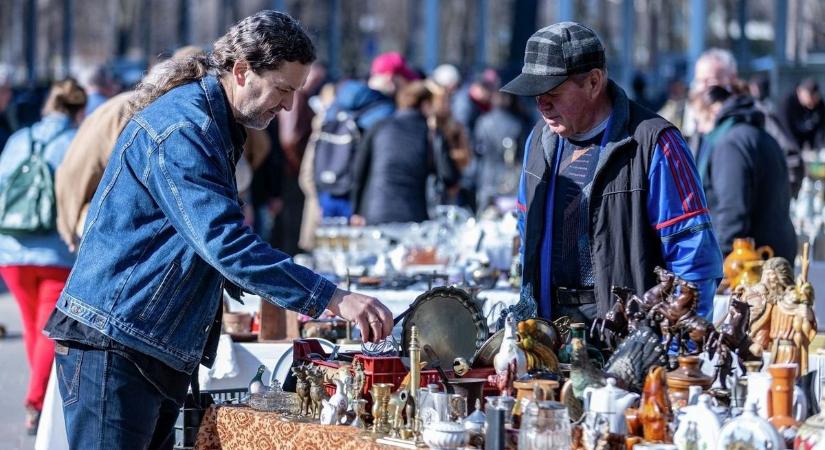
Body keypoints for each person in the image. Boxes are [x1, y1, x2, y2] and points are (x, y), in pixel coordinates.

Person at [43, 11, 392, 450]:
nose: (287, 105)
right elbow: (225, 242)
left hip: (141, 342)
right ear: (242, 71)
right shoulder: (185, 128)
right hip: (117, 341)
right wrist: (333, 298)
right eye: (283, 89)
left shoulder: (211, 122)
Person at [500, 22, 723, 325]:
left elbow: (693, 257)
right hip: (550, 337)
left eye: (552, 91)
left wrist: (678, 355)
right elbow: (527, 234)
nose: (542, 104)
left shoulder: (654, 142)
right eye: (535, 94)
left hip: (630, 341)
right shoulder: (538, 141)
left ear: (593, 82)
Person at [0, 78, 86, 434]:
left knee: (35, 331)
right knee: (49, 331)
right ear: (79, 111)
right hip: (56, 252)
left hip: (12, 250)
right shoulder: (75, 142)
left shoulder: (21, 138)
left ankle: (40, 396)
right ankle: (37, 403)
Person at [692, 85, 797, 262]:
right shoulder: (760, 134)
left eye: (699, 120)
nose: (700, 130)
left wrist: (720, 260)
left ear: (713, 110)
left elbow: (732, 209)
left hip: (750, 263)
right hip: (776, 251)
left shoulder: (730, 144)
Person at [351, 81, 460, 225]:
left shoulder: (379, 126)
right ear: (426, 105)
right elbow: (449, 175)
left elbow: (359, 172)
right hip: (413, 215)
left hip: (374, 212)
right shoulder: (431, 134)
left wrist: (356, 210)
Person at [779, 77, 825, 152]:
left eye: (815, 100)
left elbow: (821, 130)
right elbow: (785, 128)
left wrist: (820, 148)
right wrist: (796, 148)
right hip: (788, 141)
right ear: (800, 92)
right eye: (810, 100)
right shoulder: (787, 103)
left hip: (807, 139)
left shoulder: (819, 104)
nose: (812, 105)